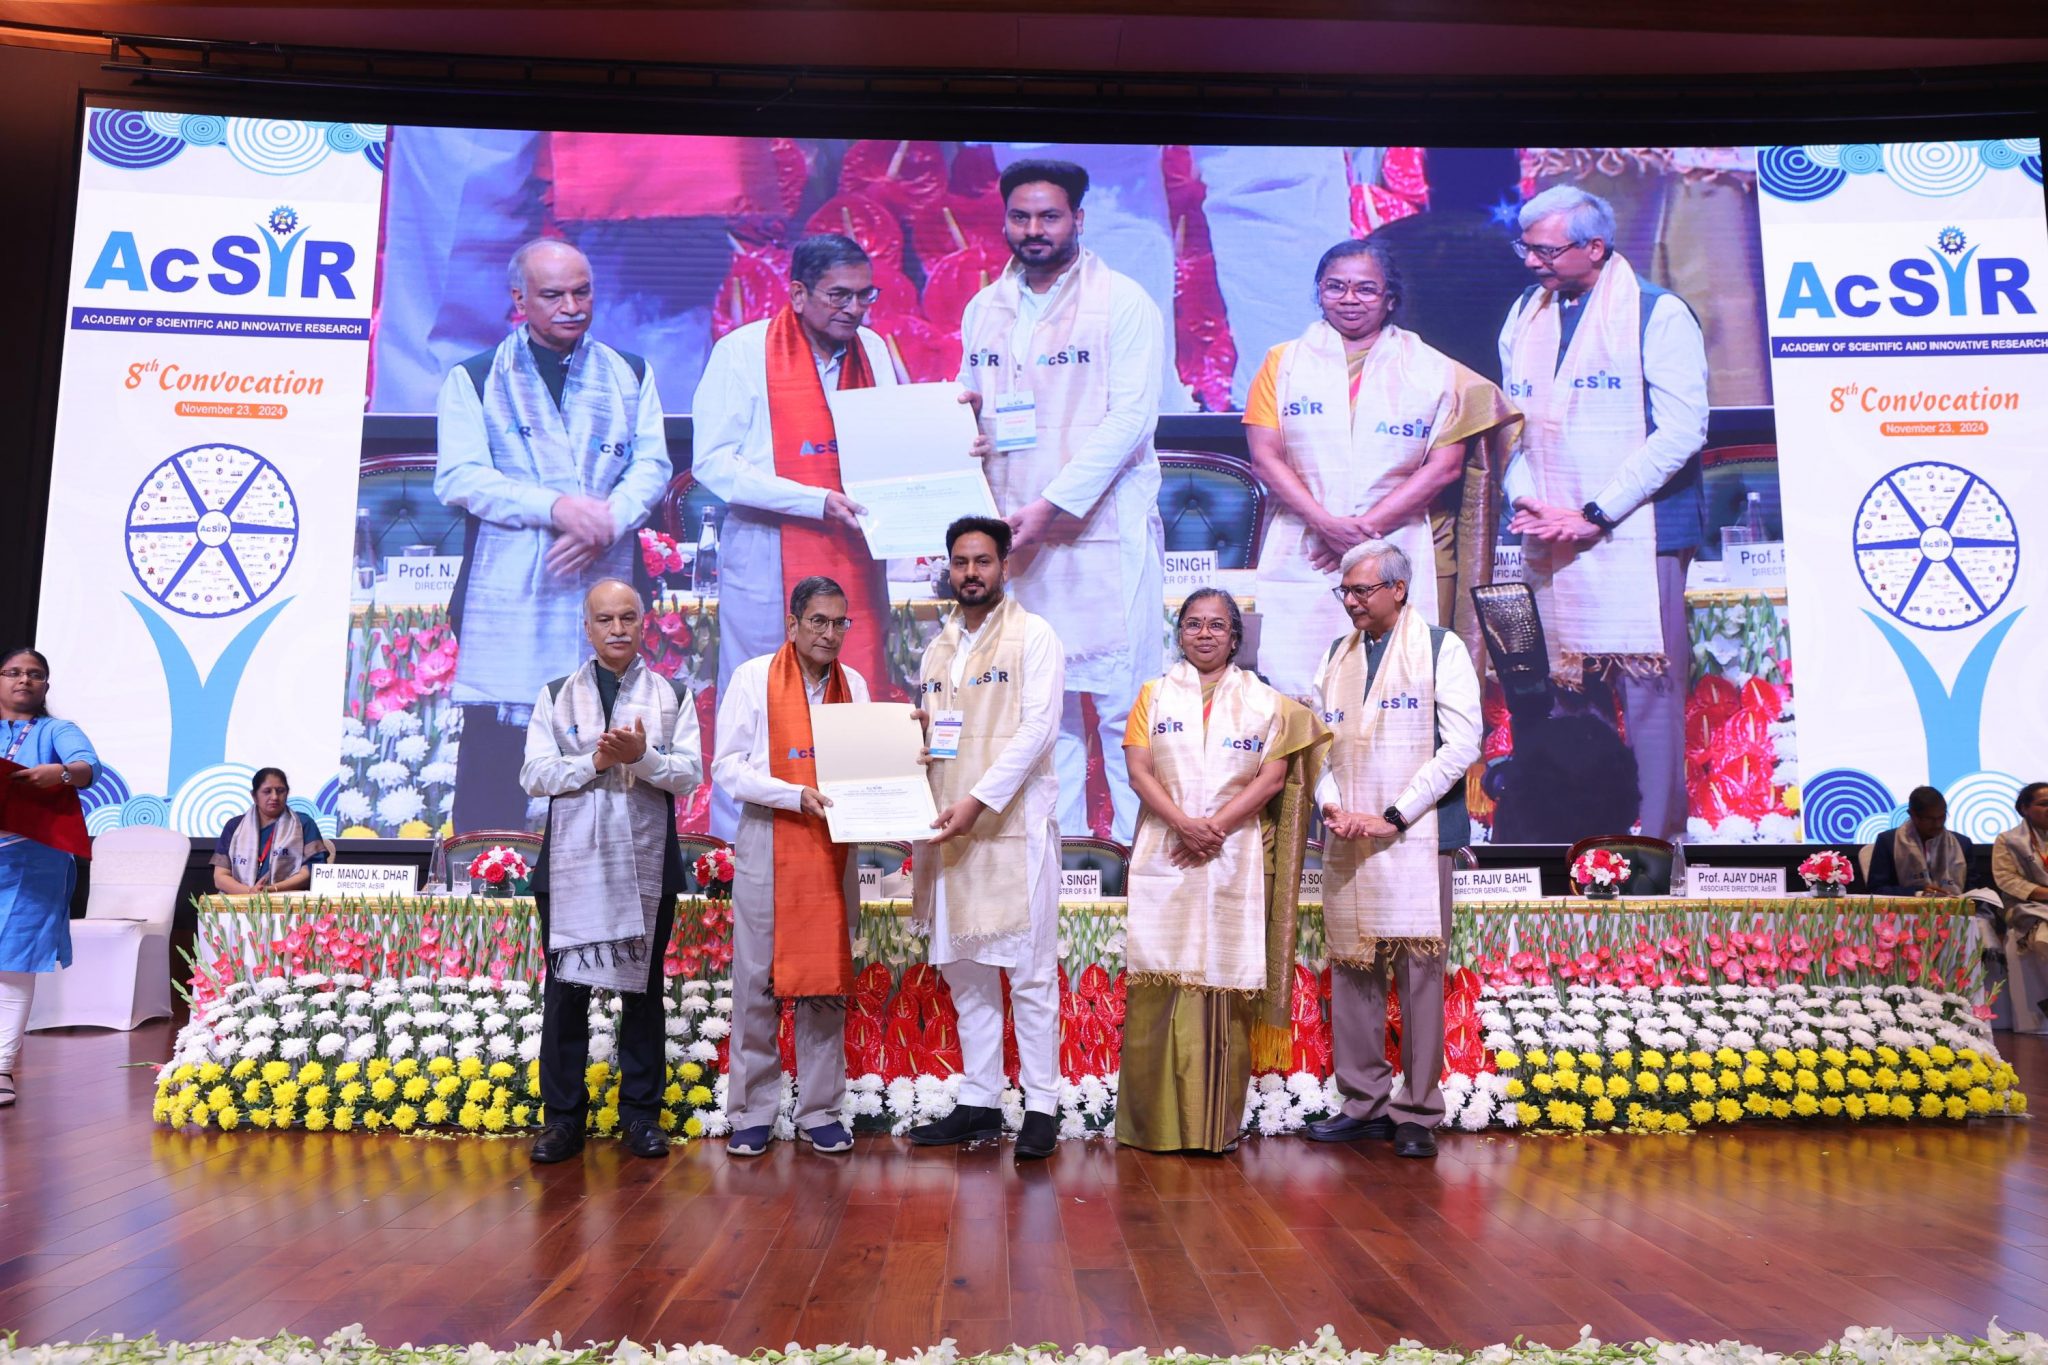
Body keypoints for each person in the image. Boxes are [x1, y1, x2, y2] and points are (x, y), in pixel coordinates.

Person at [958, 158, 1163, 844]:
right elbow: (970, 405)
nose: (1034, 230)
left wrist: (1051, 506)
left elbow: (1131, 419)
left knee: (1122, 706)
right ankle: (1060, 861)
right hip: (1013, 530)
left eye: (1049, 216)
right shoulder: (984, 308)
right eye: (1020, 216)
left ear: (1078, 218)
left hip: (1098, 528)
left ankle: (1135, 860)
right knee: (1041, 710)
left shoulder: (1123, 301)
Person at [437, 238, 673, 834]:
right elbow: (460, 477)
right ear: (520, 300)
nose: (572, 306)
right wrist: (559, 508)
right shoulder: (475, 376)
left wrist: (607, 521)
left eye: (582, 291)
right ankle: (488, 878)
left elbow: (652, 466)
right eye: (553, 295)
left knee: (609, 732)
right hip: (510, 586)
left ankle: (606, 874)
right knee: (497, 753)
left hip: (608, 576)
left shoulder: (629, 372)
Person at [1497, 185, 1709, 844]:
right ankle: (1579, 835)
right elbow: (1510, 425)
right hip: (1550, 528)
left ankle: (1655, 846)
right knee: (1570, 695)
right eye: (1526, 248)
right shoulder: (1524, 314)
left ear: (1595, 246)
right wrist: (1526, 495)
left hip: (1639, 531)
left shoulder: (1657, 313)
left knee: (1648, 695)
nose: (1530, 261)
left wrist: (1595, 513)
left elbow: (1682, 431)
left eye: (1545, 250)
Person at [692, 234, 904, 839]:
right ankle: (734, 851)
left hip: (854, 553)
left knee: (854, 690)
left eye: (865, 295)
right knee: (758, 696)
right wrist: (814, 500)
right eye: (839, 295)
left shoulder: (874, 351)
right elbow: (714, 463)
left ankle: (861, 843)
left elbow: (894, 442)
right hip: (766, 550)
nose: (854, 309)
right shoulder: (743, 351)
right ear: (798, 293)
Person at [1246, 239, 1516, 699]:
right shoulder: (1281, 362)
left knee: (1396, 687)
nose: (1349, 299)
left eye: (1366, 289)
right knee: (1302, 685)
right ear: (1318, 292)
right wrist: (1325, 524)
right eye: (1335, 287)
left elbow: (1445, 467)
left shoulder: (1435, 369)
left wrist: (1361, 535)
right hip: (1306, 541)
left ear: (1390, 299)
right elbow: (1265, 456)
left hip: (1402, 538)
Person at [1117, 590, 1327, 1153]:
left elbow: (1272, 779)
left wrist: (1213, 828)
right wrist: (1184, 824)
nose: (1204, 634)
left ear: (1235, 637)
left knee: (1223, 986)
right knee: (1161, 980)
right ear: (1179, 633)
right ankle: (1154, 1126)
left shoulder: (1268, 703)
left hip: (1235, 854)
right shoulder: (1153, 695)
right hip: (1166, 852)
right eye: (1193, 624)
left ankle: (1213, 1127)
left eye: (1216, 625)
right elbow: (1138, 771)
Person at [1305, 540, 1481, 1159]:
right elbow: (1317, 745)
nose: (1351, 602)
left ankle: (1418, 1111)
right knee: (1354, 966)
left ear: (1398, 589)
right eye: (1345, 591)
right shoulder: (1336, 654)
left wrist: (1394, 816)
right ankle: (1364, 1103)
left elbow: (1462, 745)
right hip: (1348, 831)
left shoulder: (1440, 647)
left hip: (1418, 834)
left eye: (1362, 590)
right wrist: (1332, 807)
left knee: (1419, 972)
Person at [519, 580, 702, 1163]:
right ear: (587, 627)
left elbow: (689, 774)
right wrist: (595, 761)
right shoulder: (556, 694)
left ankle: (641, 1117)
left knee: (643, 993)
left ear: (643, 623)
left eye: (627, 618)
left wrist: (641, 758)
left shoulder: (672, 694)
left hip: (647, 861)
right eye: (605, 619)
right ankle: (563, 1120)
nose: (617, 629)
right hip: (569, 864)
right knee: (565, 993)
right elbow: (533, 775)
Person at [907, 517, 1064, 1161]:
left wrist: (978, 800)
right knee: (965, 970)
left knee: (1029, 973)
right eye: (960, 562)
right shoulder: (938, 647)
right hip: (951, 827)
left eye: (983, 561)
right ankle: (979, 1101)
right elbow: (940, 736)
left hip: (1013, 828)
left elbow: (1038, 731)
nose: (970, 573)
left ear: (1005, 566)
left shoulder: (1035, 635)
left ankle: (1042, 1105)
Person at [712, 575, 870, 1158]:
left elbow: (866, 765)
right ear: (793, 624)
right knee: (757, 976)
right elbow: (728, 768)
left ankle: (820, 1110)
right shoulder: (754, 678)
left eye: (839, 622)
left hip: (833, 842)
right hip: (768, 832)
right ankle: (753, 1111)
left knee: (825, 976)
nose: (830, 633)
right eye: (818, 621)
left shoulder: (854, 685)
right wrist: (792, 794)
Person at [0, 648, 100, 1108]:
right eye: (14, 672)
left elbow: (87, 768)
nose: (24, 679)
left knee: (13, 964)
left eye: (35, 674)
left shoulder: (55, 730)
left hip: (34, 862)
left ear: (45, 685)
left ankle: (2, 1067)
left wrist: (59, 773)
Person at [211, 768, 333, 895]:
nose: (274, 797)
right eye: (267, 791)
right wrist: (250, 892)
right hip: (240, 899)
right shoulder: (235, 826)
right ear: (254, 796)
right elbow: (220, 877)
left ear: (287, 793)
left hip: (286, 899)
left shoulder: (304, 824)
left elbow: (311, 873)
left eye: (280, 791)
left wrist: (271, 890)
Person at [1993, 782, 2048, 1031]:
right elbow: (2006, 879)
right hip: (2025, 904)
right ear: (2024, 808)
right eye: (2043, 804)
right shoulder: (2008, 840)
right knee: (2043, 937)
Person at [1867, 786, 1972, 898]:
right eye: (1930, 819)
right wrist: (1918, 893)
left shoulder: (1962, 844)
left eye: (1942, 817)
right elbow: (1876, 890)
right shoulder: (1888, 842)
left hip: (1956, 908)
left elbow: (1973, 892)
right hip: (1905, 908)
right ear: (1912, 815)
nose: (1938, 824)